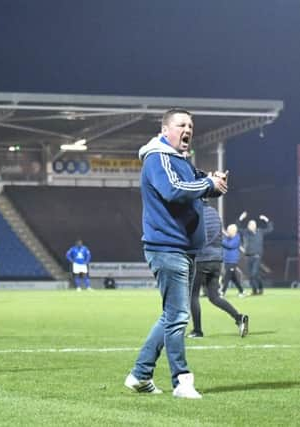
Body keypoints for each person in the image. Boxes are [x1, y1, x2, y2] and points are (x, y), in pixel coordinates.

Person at [124, 108, 227, 399]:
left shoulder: (181, 160)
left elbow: (199, 186)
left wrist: (214, 184)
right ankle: (182, 380)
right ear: (166, 130)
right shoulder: (158, 158)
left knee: (172, 315)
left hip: (184, 248)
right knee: (179, 315)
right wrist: (207, 183)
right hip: (167, 247)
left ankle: (140, 375)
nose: (189, 129)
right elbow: (173, 190)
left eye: (191, 125)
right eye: (182, 124)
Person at [187, 201, 249, 338]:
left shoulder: (194, 213)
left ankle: (197, 330)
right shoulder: (215, 213)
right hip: (216, 259)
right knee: (214, 297)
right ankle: (239, 317)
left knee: (193, 295)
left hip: (201, 258)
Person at [237, 211, 274, 295]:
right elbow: (237, 228)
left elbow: (270, 229)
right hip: (248, 256)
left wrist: (266, 219)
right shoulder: (246, 232)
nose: (253, 226)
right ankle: (255, 290)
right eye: (251, 224)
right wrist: (241, 218)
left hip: (257, 256)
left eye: (254, 224)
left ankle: (259, 288)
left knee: (254, 274)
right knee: (252, 275)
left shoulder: (260, 231)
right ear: (248, 226)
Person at [221, 223, 245, 296]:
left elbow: (230, 245)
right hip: (226, 260)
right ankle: (241, 291)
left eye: (229, 230)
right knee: (233, 278)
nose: (228, 231)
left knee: (227, 276)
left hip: (232, 261)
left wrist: (221, 241)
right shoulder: (227, 238)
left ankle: (222, 292)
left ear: (234, 231)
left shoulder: (237, 238)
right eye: (227, 230)